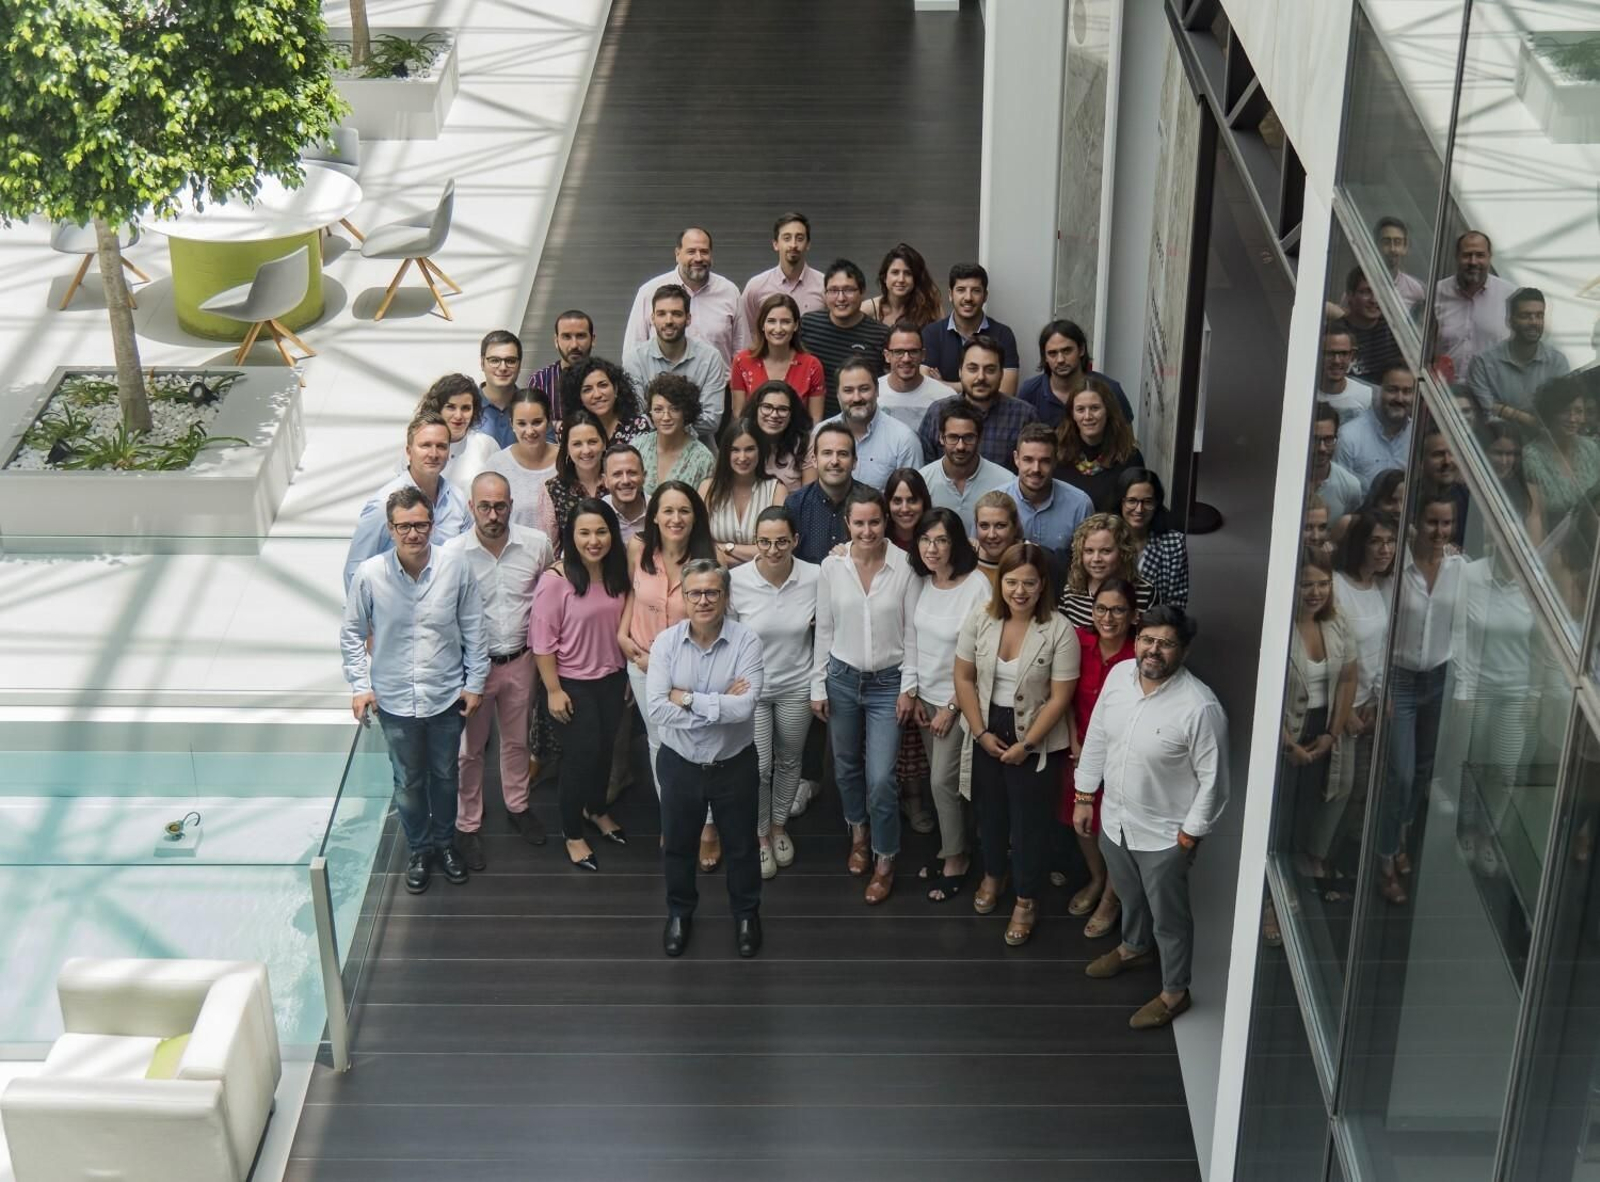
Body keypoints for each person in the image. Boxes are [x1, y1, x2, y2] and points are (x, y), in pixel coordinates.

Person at [1076, 605, 1228, 1030]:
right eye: (1147, 639)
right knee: (1129, 895)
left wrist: (1188, 839)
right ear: (1137, 638)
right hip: (1115, 822)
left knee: (1171, 920)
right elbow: (1098, 739)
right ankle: (1132, 947)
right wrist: (1085, 795)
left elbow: (1215, 783)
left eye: (1166, 643)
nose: (1153, 650)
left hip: (1165, 837)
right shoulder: (1119, 676)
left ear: (1184, 649)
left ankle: (1175, 992)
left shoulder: (1200, 707)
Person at [341, 486, 486, 894]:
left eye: (421, 524)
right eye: (404, 526)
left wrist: (475, 683)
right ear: (390, 529)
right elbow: (352, 633)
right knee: (407, 781)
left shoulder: (454, 568)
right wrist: (360, 685)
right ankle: (420, 850)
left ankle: (446, 844)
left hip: (444, 696)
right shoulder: (370, 575)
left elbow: (475, 627)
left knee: (444, 775)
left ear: (432, 524)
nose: (413, 533)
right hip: (394, 700)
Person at [953, 542, 1077, 944]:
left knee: (1028, 823)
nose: (1019, 591)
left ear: (1043, 585)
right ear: (999, 582)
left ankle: (1026, 899)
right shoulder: (981, 618)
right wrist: (979, 731)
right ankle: (993, 875)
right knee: (989, 813)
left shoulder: (1059, 629)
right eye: (1011, 582)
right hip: (987, 724)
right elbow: (964, 677)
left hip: (1035, 735)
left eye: (1029, 583)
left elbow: (1060, 697)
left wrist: (1028, 744)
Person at [647, 559, 767, 959]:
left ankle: (747, 915)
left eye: (712, 592)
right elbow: (657, 710)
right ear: (683, 597)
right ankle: (680, 913)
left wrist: (687, 699)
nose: (703, 600)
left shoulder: (746, 641)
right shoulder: (665, 643)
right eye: (695, 593)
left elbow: (745, 707)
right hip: (680, 764)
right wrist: (718, 703)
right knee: (678, 848)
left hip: (734, 764)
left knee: (742, 848)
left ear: (725, 597)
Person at [813, 487, 922, 905]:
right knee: (844, 766)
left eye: (874, 522)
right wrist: (817, 684)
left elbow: (912, 632)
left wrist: (909, 686)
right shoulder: (831, 566)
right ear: (847, 524)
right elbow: (823, 629)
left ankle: (885, 857)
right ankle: (858, 833)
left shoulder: (905, 568)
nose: (867, 530)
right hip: (841, 677)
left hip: (888, 683)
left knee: (881, 777)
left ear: (885, 522)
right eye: (858, 523)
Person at [445, 472, 554, 869]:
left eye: (501, 505)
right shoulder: (452, 554)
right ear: (472, 507)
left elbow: (548, 599)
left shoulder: (537, 545)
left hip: (521, 661)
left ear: (511, 504)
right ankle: (467, 823)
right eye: (485, 506)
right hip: (473, 669)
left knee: (516, 741)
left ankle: (518, 805)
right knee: (470, 750)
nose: (494, 514)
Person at [531, 498, 631, 872]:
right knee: (579, 759)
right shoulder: (555, 581)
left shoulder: (618, 573)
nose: (594, 540)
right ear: (571, 537)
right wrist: (554, 690)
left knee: (606, 750)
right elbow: (542, 642)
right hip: (571, 684)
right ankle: (572, 832)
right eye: (584, 533)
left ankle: (596, 809)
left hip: (612, 679)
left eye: (601, 532)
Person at [1376, 490, 1463, 905]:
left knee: (1425, 770)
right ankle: (1386, 857)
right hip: (1400, 679)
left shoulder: (1459, 567)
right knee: (1402, 774)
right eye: (1433, 522)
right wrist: (1381, 688)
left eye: (1446, 523)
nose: (1439, 531)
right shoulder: (1396, 567)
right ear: (1417, 522)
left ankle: (1403, 837)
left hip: (1439, 679)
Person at [728, 507, 820, 879]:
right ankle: (760, 833)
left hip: (797, 685)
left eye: (782, 541)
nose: (773, 549)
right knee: (760, 766)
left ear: (795, 540)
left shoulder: (815, 576)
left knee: (790, 760)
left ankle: (780, 825)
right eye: (764, 541)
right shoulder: (736, 580)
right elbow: (728, 636)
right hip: (754, 689)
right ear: (755, 541)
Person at [909, 509, 991, 901]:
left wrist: (952, 706)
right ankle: (951, 848)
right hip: (926, 698)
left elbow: (982, 654)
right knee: (940, 783)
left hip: (959, 702)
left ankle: (957, 858)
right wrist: (913, 692)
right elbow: (912, 638)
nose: (932, 548)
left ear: (956, 543)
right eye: (925, 539)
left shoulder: (976, 586)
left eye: (941, 540)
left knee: (943, 781)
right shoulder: (922, 581)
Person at [620, 479, 717, 799]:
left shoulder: (710, 558)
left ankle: (705, 822)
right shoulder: (638, 547)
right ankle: (672, 818)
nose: (676, 519)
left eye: (684, 511)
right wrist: (622, 632)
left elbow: (714, 622)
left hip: (691, 669)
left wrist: (659, 665)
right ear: (655, 517)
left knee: (696, 740)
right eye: (668, 511)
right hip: (641, 662)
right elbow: (631, 593)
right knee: (658, 739)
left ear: (695, 517)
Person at [1064, 578, 1139, 939]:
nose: (1108, 617)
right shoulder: (1077, 641)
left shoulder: (1139, 653)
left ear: (1133, 614)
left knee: (1116, 826)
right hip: (1079, 748)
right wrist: (1074, 744)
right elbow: (1060, 693)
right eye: (1101, 609)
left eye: (1118, 609)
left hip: (1125, 754)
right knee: (1081, 817)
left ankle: (1111, 896)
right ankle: (1096, 878)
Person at [1280, 547, 1358, 883]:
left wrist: (1331, 734)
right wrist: (1286, 746)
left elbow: (1349, 676)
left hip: (1322, 728)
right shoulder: (1279, 626)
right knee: (1277, 815)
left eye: (1323, 584)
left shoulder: (1337, 619)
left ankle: (1296, 876)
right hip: (1285, 733)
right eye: (1306, 585)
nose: (1316, 593)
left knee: (1309, 810)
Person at [1332, 510, 1397, 868]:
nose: (1384, 549)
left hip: (1372, 702)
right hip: (1344, 706)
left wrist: (1381, 695)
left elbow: (1382, 648)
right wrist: (1347, 711)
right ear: (1359, 544)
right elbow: (1339, 655)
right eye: (1376, 541)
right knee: (1342, 790)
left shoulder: (1382, 586)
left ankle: (1348, 854)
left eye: (1389, 541)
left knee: (1365, 787)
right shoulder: (1338, 586)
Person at [344, 411, 470, 590]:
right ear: (409, 452)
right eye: (425, 445)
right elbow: (354, 571)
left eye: (441, 446)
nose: (434, 454)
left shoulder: (458, 500)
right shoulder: (383, 504)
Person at [882, 468, 937, 833]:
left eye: (912, 500)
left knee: (917, 738)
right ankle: (887, 802)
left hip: (927, 646)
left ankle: (916, 799)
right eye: (897, 500)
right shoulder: (877, 541)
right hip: (887, 649)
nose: (905, 508)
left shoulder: (933, 538)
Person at [622, 283, 730, 444]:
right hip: (648, 453)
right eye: (661, 314)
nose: (669, 320)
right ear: (652, 318)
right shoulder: (635, 359)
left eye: (676, 314)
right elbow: (637, 417)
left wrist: (661, 418)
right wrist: (682, 418)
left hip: (700, 453)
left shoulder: (710, 358)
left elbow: (711, 420)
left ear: (688, 318)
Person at [623, 227, 746, 367]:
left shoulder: (729, 292)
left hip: (719, 386)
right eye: (691, 251)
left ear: (711, 255)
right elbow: (632, 351)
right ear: (677, 254)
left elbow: (742, 350)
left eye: (704, 252)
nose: (698, 258)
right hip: (661, 386)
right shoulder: (649, 292)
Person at [916, 336, 1038, 469]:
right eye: (973, 369)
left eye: (990, 370)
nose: (981, 377)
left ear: (1001, 374)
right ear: (960, 372)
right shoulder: (937, 412)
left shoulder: (1023, 416)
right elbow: (924, 470)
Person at [1462, 287, 1572, 426]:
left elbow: (1561, 412)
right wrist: (1526, 419)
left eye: (1539, 316)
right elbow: (1483, 411)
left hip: (1545, 441)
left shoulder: (1557, 362)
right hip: (1497, 440)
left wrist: (1503, 410)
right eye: (1526, 316)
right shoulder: (1483, 362)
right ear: (1510, 320)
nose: (1534, 322)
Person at [799, 259, 891, 418]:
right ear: (825, 294)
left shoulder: (881, 334)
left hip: (862, 420)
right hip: (817, 423)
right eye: (833, 290)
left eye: (848, 290)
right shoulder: (808, 324)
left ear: (862, 292)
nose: (840, 298)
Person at [816, 357, 922, 489]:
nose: (857, 398)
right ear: (837, 395)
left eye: (864, 389)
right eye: (848, 390)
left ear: (877, 390)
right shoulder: (819, 434)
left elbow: (913, 498)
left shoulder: (904, 440)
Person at [1004, 423, 1093, 574]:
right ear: (1016, 459)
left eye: (1044, 461)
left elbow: (1088, 564)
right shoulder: (997, 501)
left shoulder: (1080, 505)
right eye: (1028, 460)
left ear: (1055, 461)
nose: (1036, 469)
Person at [921, 263, 1020, 395]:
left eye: (976, 291)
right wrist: (985, 387)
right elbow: (926, 390)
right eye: (961, 290)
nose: (968, 298)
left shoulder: (1003, 334)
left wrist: (944, 385)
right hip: (945, 415)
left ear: (985, 296)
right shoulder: (931, 333)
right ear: (951, 295)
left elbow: (1006, 392)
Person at [1017, 319, 1133, 427]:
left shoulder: (1110, 389)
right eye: (1053, 353)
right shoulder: (1030, 392)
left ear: (1081, 349)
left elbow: (1126, 442)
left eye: (1067, 351)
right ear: (1045, 357)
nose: (1060, 359)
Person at [729, 293, 826, 422]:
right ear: (762, 325)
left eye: (785, 322)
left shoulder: (812, 365)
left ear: (796, 325)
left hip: (798, 440)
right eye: (771, 321)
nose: (778, 328)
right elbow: (738, 415)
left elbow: (815, 420)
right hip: (752, 439)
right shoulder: (742, 361)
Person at [918, 401, 1013, 533]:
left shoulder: (1006, 483)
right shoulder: (923, 480)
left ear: (980, 438)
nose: (960, 446)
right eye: (953, 437)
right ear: (941, 437)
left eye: (968, 438)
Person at [700, 423, 786, 567]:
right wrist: (754, 553)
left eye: (750, 449)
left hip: (761, 578)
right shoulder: (708, 488)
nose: (742, 457)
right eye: (735, 450)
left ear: (760, 451)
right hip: (715, 577)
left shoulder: (776, 490)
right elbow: (699, 543)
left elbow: (776, 547)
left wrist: (725, 548)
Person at [1432, 230, 1515, 378]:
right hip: (1444, 392)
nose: (1473, 261)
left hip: (1491, 392)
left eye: (1480, 255)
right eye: (1467, 255)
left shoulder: (1509, 295)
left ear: (1490, 257)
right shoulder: (1436, 293)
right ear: (1456, 257)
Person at [1523, 376, 1600, 532]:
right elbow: (1535, 514)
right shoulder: (1532, 456)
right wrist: (1535, 555)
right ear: (1549, 413)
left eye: (1578, 411)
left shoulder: (1591, 448)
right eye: (1565, 411)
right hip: (1554, 540)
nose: (1573, 419)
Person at [787, 422, 871, 563]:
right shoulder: (795, 504)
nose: (834, 461)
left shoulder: (870, 503)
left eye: (843, 454)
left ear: (854, 462)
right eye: (827, 453)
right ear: (814, 460)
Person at [1055, 377, 1144, 509]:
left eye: (1095, 408)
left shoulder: (1129, 458)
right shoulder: (1058, 454)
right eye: (1080, 409)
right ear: (1072, 415)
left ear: (1108, 411)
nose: (1087, 416)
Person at [1057, 513, 1159, 627]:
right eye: (1089, 551)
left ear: (1123, 552)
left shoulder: (1146, 592)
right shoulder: (1071, 592)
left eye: (1105, 551)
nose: (1096, 559)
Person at [414, 374, 501, 504]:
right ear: (438, 409)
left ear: (474, 410)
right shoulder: (418, 443)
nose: (458, 416)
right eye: (451, 407)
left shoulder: (486, 445)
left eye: (466, 408)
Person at [1115, 467, 1189, 609]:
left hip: (1154, 625)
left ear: (1157, 504)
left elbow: (1177, 604)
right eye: (1132, 501)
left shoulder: (1174, 544)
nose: (1139, 509)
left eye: (1147, 502)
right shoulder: (1106, 538)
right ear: (1121, 502)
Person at [486, 388, 558, 530]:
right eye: (522, 423)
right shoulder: (496, 465)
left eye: (537, 422)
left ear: (548, 421)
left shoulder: (567, 460)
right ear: (512, 424)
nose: (530, 431)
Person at [740, 211, 824, 330]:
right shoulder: (756, 287)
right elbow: (746, 333)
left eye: (799, 238)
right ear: (776, 244)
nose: (793, 244)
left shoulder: (824, 286)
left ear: (808, 244)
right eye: (787, 238)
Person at [1334, 365, 1415, 488]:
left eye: (1407, 392)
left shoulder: (1418, 436)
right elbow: (1340, 491)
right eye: (1392, 390)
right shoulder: (1349, 437)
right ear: (1378, 390)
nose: (1400, 398)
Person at [636, 373, 714, 497]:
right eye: (658, 410)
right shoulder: (637, 447)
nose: (666, 417)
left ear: (686, 412)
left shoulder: (703, 459)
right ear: (650, 412)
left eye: (674, 409)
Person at [541, 409, 610, 545]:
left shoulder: (619, 482)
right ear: (566, 448)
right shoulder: (553, 489)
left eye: (592, 442)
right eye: (577, 444)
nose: (586, 450)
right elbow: (549, 546)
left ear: (604, 443)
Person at [878, 320, 956, 431]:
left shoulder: (945, 397)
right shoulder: (872, 393)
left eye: (913, 351)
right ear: (887, 356)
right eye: (899, 352)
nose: (906, 359)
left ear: (923, 355)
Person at [560, 357, 649, 449]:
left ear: (615, 389)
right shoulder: (569, 430)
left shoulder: (637, 426)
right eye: (587, 390)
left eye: (603, 385)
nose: (597, 395)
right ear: (579, 397)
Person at [743, 379, 816, 491]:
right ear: (756, 409)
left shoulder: (805, 443)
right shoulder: (740, 437)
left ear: (792, 414)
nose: (774, 415)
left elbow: (809, 498)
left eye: (782, 409)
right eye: (767, 407)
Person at [1481, 421, 1545, 543]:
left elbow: (1535, 543)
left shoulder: (1529, 493)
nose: (1504, 461)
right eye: (1498, 453)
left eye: (1510, 454)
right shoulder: (1469, 490)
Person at [528, 310, 596, 426]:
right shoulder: (541, 380)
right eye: (566, 337)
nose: (574, 345)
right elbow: (533, 425)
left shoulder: (607, 378)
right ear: (556, 341)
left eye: (580, 336)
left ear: (593, 339)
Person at [1341, 269, 1405, 385]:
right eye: (1366, 292)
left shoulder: (1396, 333)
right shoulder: (1337, 333)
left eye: (1379, 292)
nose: (1374, 300)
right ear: (1350, 295)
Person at [862, 242, 944, 328]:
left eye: (908, 273)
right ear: (884, 277)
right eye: (895, 272)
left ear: (916, 278)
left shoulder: (930, 308)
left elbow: (942, 339)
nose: (901, 279)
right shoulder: (868, 309)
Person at [1310, 403, 1364, 524]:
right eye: (1314, 439)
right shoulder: (1284, 477)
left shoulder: (1350, 487)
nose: (1322, 448)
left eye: (1329, 440)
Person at [1317, 324, 1374, 426]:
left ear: (1352, 356)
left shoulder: (1367, 397)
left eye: (1343, 353)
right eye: (1330, 353)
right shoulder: (1305, 393)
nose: (1337, 361)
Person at [476, 329, 523, 447]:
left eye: (510, 361)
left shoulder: (533, 407)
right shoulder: (463, 407)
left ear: (520, 365)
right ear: (482, 363)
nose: (502, 367)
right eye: (494, 360)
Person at [1374, 215, 1426, 310]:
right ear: (1376, 246)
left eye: (1397, 242)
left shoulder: (1416, 289)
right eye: (1386, 242)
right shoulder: (1361, 286)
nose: (1392, 249)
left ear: (1405, 248)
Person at [973, 490, 1023, 587]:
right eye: (984, 526)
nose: (991, 535)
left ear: (1015, 526)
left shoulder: (1033, 557)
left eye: (1000, 526)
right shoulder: (966, 561)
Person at [602, 443, 649, 544]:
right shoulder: (596, 513)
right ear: (605, 481)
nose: (625, 481)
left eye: (632, 473)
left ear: (644, 477)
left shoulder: (658, 511)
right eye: (617, 474)